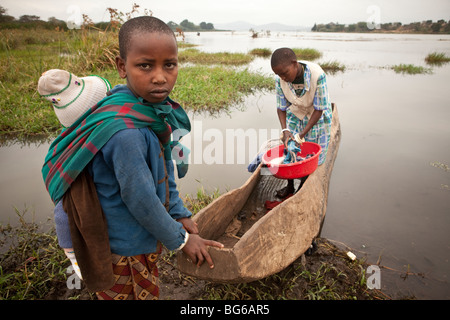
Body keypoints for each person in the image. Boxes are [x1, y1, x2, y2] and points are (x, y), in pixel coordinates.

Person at [41, 16, 223, 300]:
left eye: (169, 64)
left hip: (139, 237)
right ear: (121, 67)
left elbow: (164, 167)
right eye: (145, 65)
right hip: (119, 246)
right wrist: (182, 240)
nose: (160, 76)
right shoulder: (126, 134)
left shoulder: (146, 108)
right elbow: (141, 199)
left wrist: (179, 211)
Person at [38, 68, 112, 279]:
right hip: (76, 182)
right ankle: (72, 254)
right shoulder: (77, 138)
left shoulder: (95, 128)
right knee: (66, 209)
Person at [270, 47, 332, 197]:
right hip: (297, 112)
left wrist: (301, 135)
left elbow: (319, 109)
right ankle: (290, 186)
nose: (282, 77)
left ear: (294, 63)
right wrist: (286, 131)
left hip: (316, 116)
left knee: (311, 154)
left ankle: (303, 188)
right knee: (289, 149)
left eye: (284, 73)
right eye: (278, 75)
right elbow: (281, 108)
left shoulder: (317, 75)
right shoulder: (280, 79)